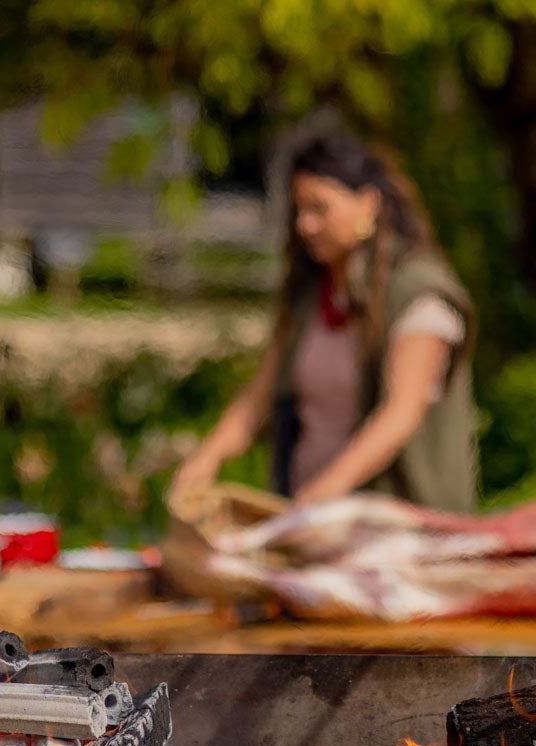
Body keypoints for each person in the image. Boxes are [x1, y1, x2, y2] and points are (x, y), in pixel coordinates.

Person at [169, 132, 478, 512]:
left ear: (368, 203)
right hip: (310, 518)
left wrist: (323, 493)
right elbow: (258, 399)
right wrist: (207, 458)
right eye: (299, 210)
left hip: (394, 525)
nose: (305, 225)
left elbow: (401, 412)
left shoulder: (417, 292)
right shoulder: (310, 294)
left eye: (319, 209)